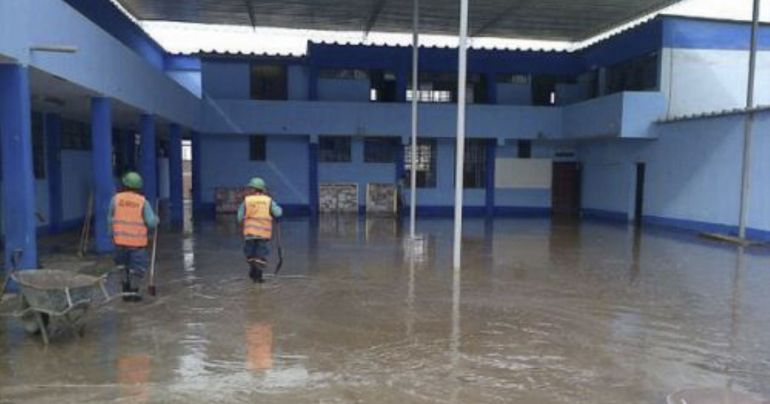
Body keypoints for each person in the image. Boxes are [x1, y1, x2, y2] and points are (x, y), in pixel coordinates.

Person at [108, 172, 158, 302]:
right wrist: (156, 219)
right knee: (137, 268)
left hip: (119, 242)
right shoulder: (143, 202)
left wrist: (111, 235)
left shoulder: (116, 199)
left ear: (124, 184)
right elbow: (151, 222)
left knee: (122, 266)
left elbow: (110, 219)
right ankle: (134, 293)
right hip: (137, 244)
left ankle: (125, 291)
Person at [237, 177, 283, 283]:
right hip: (263, 234)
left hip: (249, 234)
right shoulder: (268, 201)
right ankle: (258, 276)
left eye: (250, 188)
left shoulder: (246, 201)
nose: (248, 190)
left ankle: (253, 271)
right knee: (261, 255)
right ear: (262, 189)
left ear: (253, 189)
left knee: (250, 254)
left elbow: (239, 217)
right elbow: (278, 213)